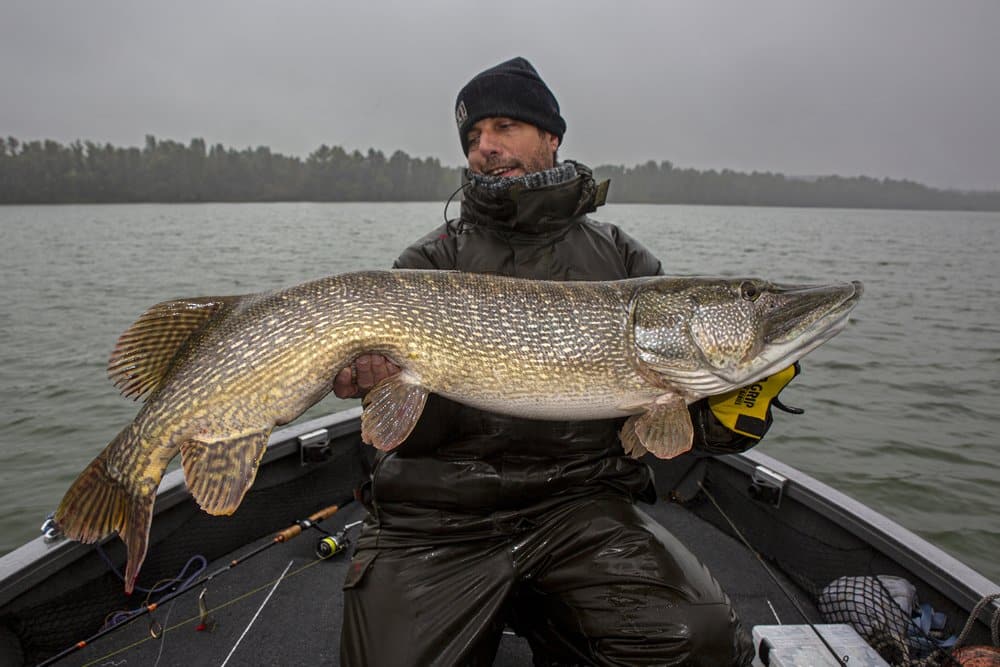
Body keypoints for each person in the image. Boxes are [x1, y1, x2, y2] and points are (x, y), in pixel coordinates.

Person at [336, 57, 794, 666]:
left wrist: (731, 413)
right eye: (473, 137)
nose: (485, 148)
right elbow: (399, 424)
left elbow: (666, 419)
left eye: (503, 127)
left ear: (552, 137)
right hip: (438, 515)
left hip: (579, 508)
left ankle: (558, 620)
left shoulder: (624, 261)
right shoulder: (429, 262)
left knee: (702, 643)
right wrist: (372, 384)